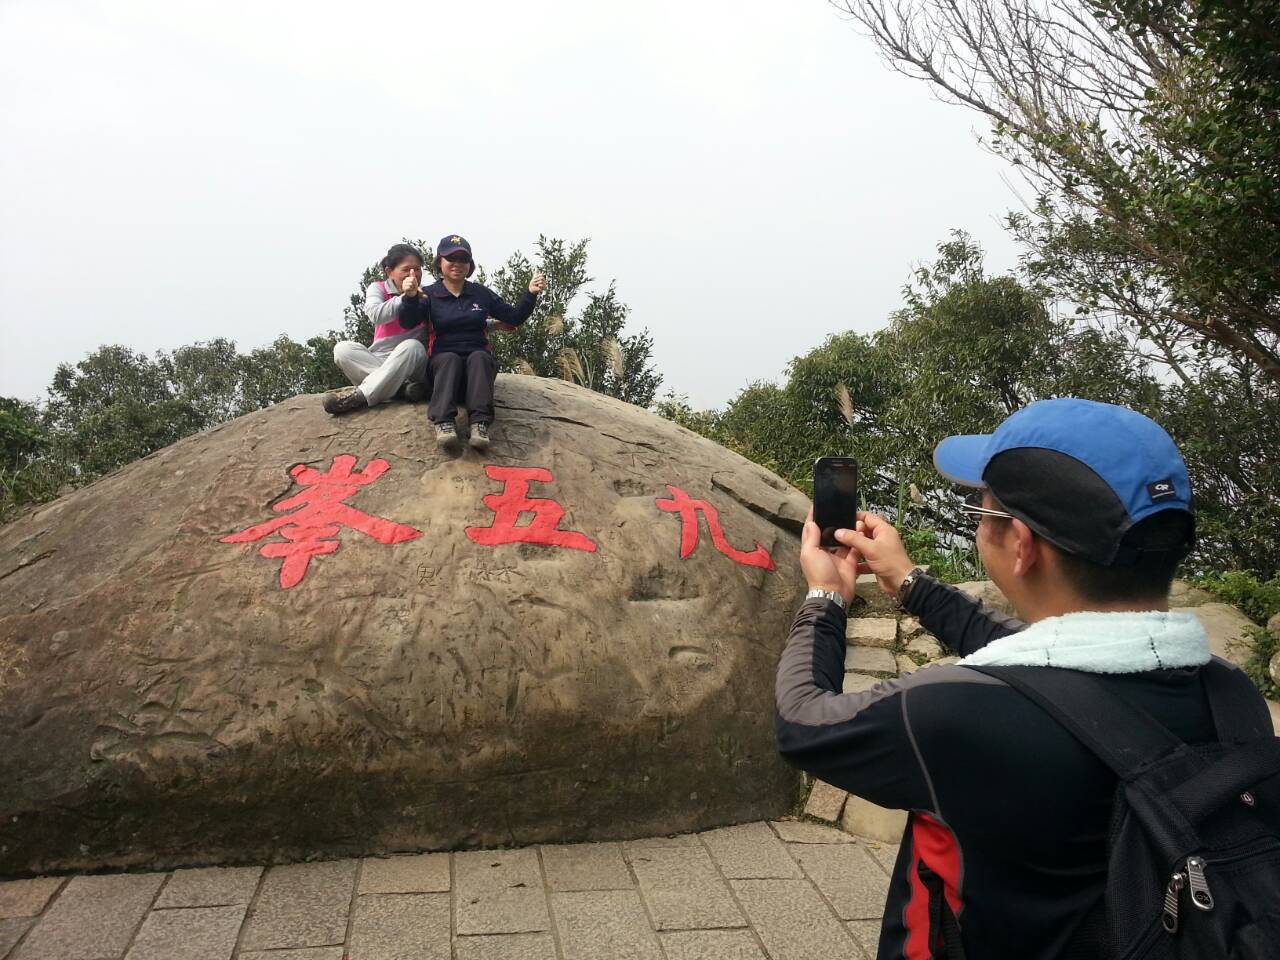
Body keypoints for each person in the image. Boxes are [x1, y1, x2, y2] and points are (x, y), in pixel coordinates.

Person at [774, 398, 1272, 958]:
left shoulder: (952, 713)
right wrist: (909, 581)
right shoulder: (1232, 694)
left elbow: (802, 721)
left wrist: (824, 597)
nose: (981, 528)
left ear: (1022, 545)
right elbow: (1063, 684)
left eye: (983, 515)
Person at [405, 234, 544, 451]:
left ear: (470, 264)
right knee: (449, 358)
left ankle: (479, 423)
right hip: (442, 373)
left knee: (480, 356)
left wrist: (530, 294)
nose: (457, 264)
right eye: (451, 258)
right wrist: (410, 297)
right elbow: (408, 321)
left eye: (463, 259)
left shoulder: (480, 293)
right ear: (439, 262)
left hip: (476, 377)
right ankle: (443, 422)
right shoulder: (429, 294)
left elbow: (514, 317)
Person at [323, 243, 430, 415]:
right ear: (389, 272)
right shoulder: (378, 288)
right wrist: (406, 297)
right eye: (406, 269)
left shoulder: (426, 293)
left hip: (413, 362)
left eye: (417, 269)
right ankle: (400, 389)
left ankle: (358, 397)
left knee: (412, 346)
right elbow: (375, 314)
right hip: (380, 359)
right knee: (342, 349)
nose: (413, 274)